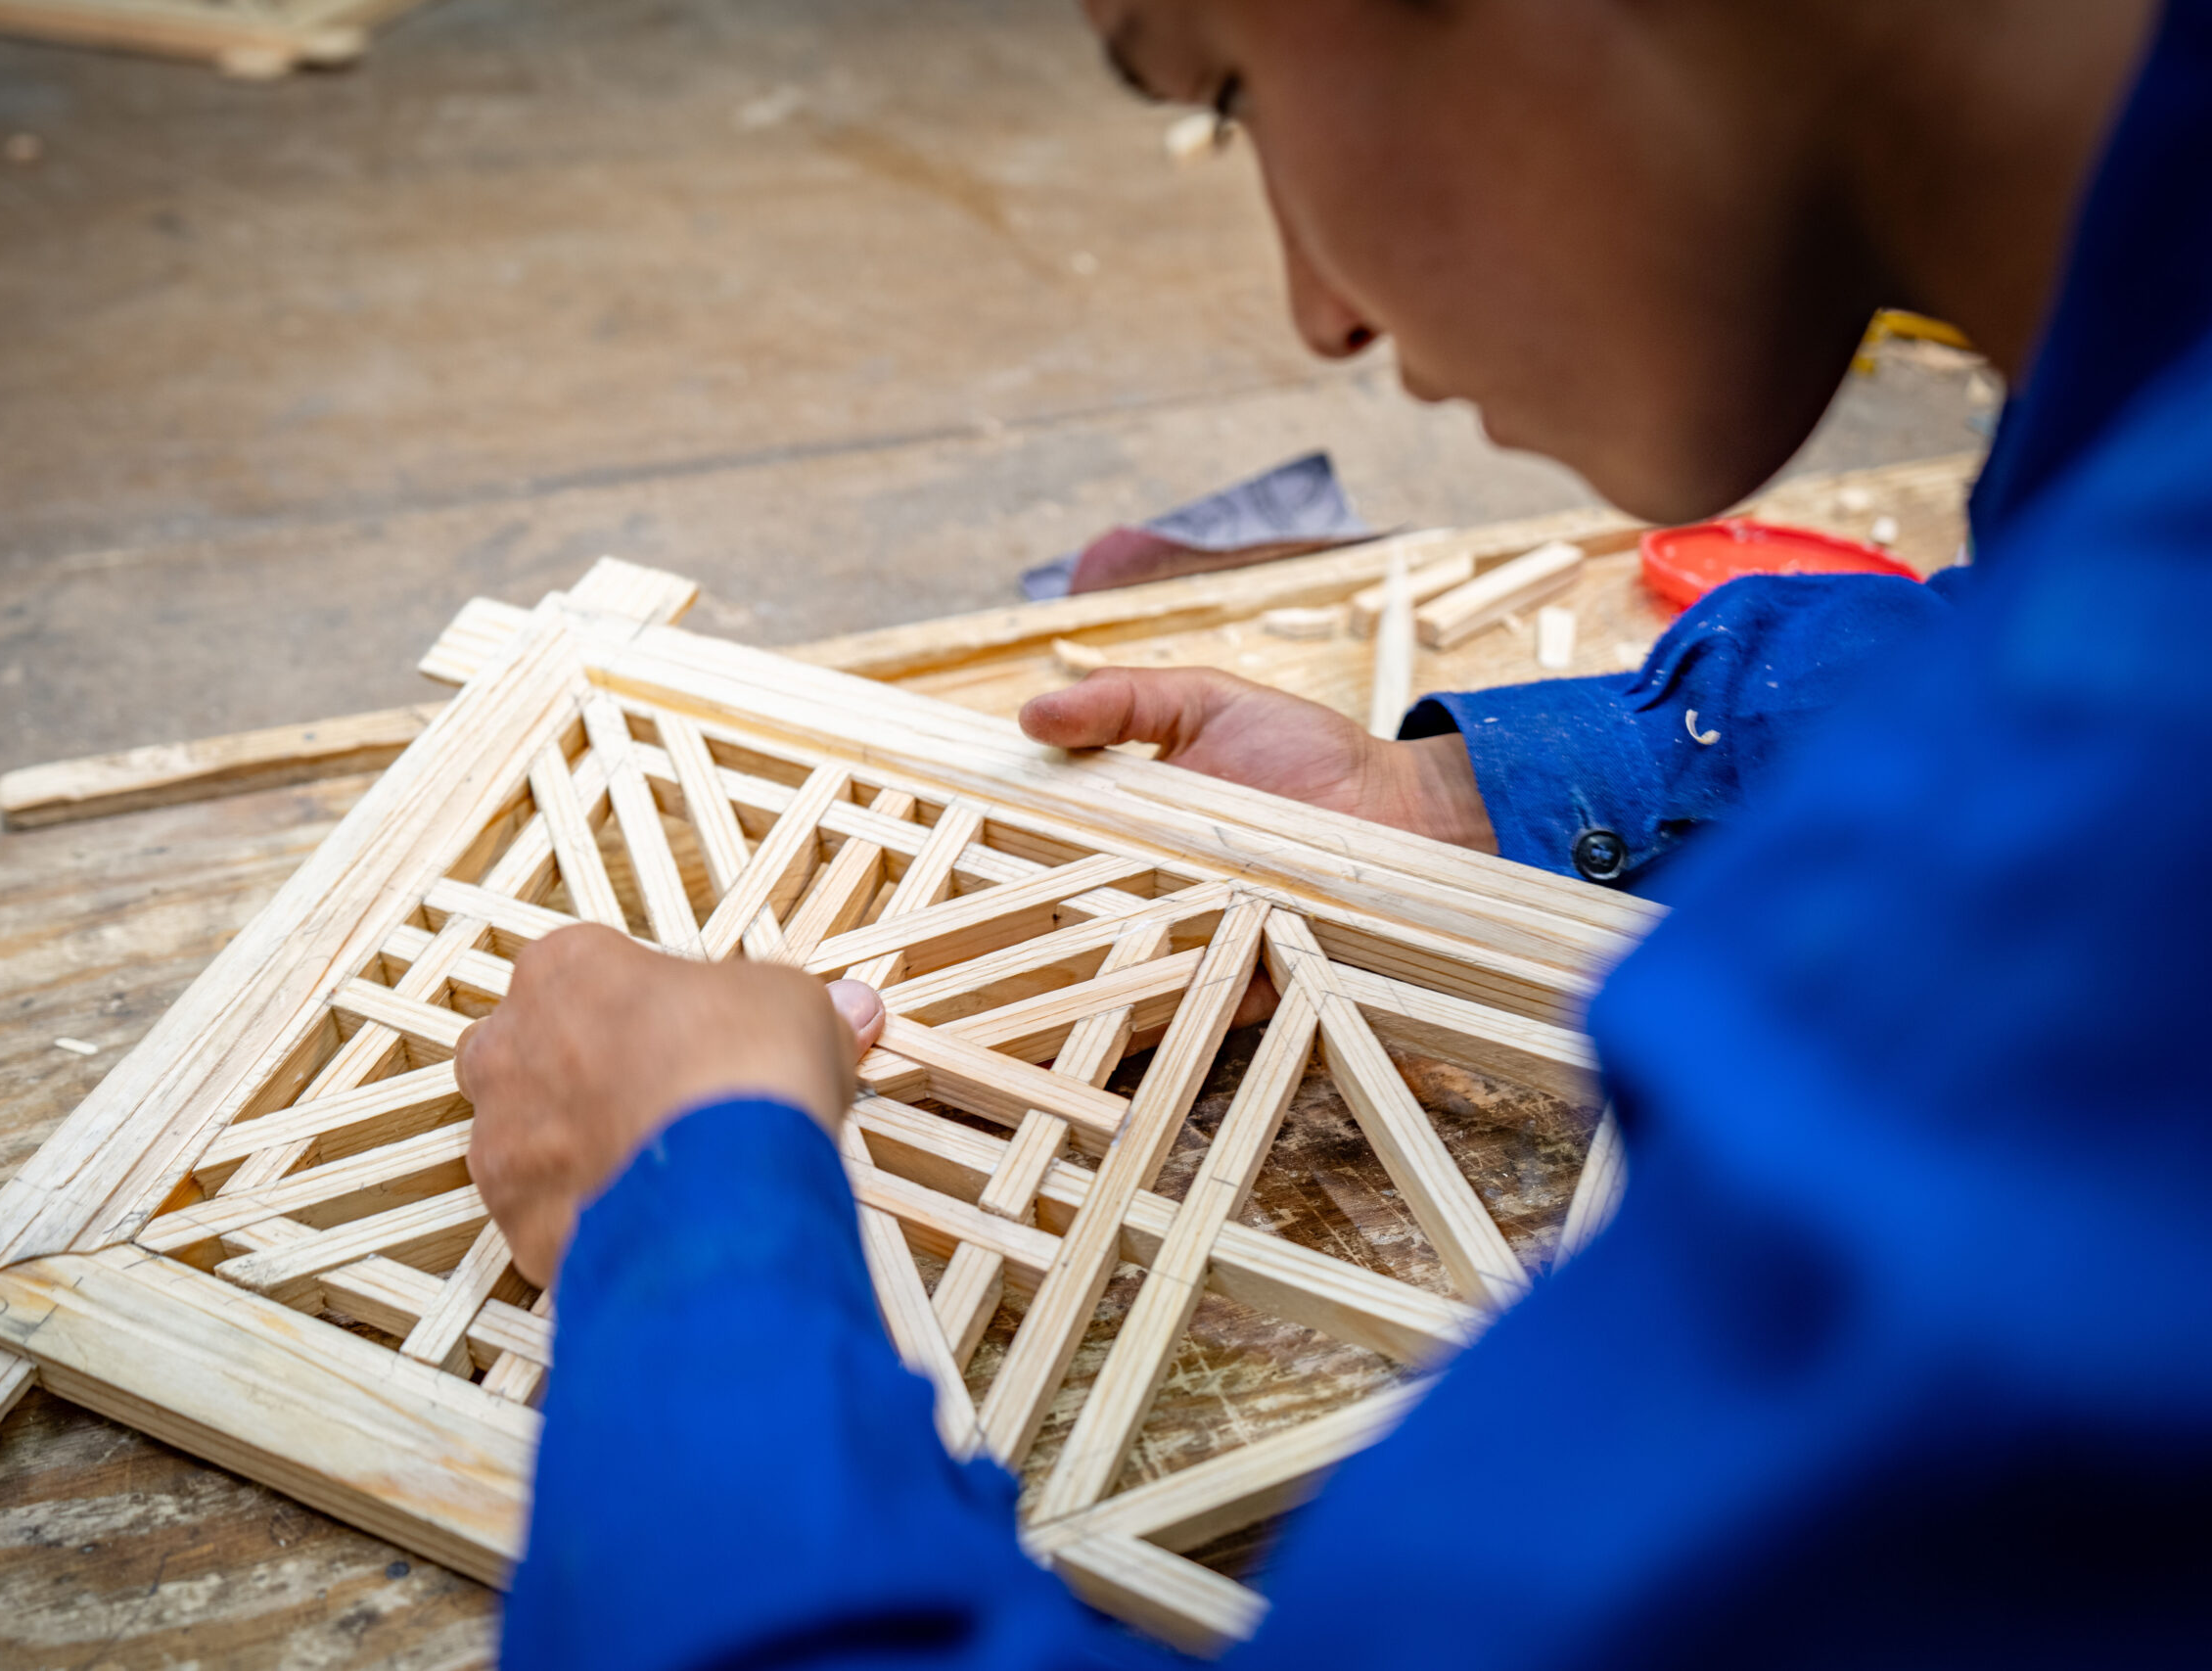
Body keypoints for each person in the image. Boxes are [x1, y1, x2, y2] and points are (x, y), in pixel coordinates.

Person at [461, 0, 2212, 1663]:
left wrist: (685, 1222)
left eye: (1228, 87)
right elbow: (2020, 636)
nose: (1323, 316)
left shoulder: (2109, 904)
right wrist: (1465, 791)